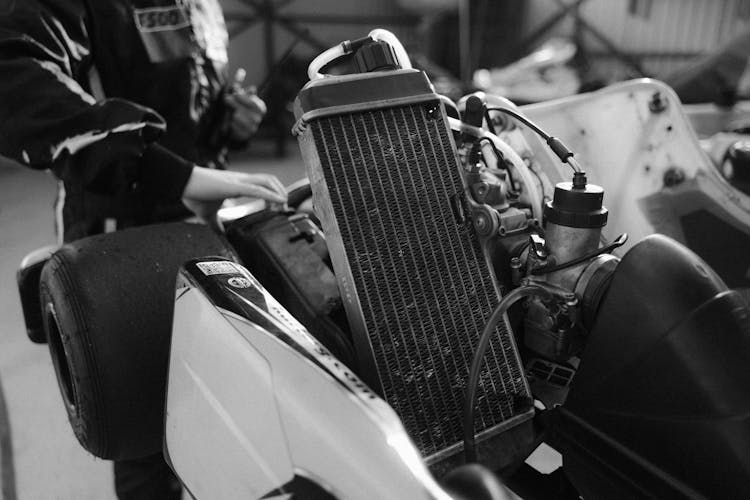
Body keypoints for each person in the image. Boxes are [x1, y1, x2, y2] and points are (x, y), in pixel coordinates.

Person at [0, 0, 287, 498]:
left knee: (218, 418)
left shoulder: (204, 5)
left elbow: (187, 112)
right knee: (148, 438)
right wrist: (174, 175)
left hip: (202, 232)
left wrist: (230, 120)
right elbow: (12, 73)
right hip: (119, 237)